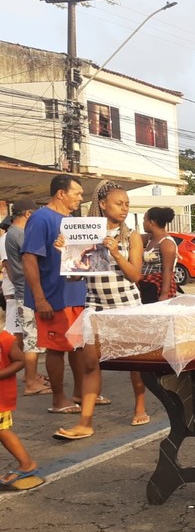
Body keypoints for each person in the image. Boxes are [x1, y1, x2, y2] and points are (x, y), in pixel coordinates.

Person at [54, 182, 146, 439]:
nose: (124, 208)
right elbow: (75, 278)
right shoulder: (85, 232)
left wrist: (116, 253)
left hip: (127, 306)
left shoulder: (131, 236)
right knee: (91, 365)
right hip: (95, 306)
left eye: (127, 204)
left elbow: (135, 276)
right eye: (119, 203)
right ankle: (85, 422)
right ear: (103, 204)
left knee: (135, 362)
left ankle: (140, 405)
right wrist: (66, 255)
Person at [22, 174, 87, 415]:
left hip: (75, 295)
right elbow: (29, 258)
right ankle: (59, 399)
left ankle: (80, 393)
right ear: (61, 193)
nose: (80, 198)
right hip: (53, 297)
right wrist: (39, 298)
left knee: (78, 347)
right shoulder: (41, 218)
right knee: (57, 348)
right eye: (77, 193)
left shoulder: (72, 221)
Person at [3, 200, 49, 395]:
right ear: (29, 214)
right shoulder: (20, 234)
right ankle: (31, 381)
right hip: (26, 291)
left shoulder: (12, 233)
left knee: (30, 335)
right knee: (32, 337)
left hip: (23, 288)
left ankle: (32, 376)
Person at [0, 331, 43, 490]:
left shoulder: (4, 338)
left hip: (1, 397)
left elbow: (20, 361)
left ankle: (27, 464)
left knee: (2, 430)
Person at [138, 207, 178, 304]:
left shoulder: (166, 243)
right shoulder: (150, 239)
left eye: (144, 219)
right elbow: (132, 237)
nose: (143, 223)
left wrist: (164, 294)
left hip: (158, 287)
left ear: (151, 222)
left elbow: (167, 270)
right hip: (146, 285)